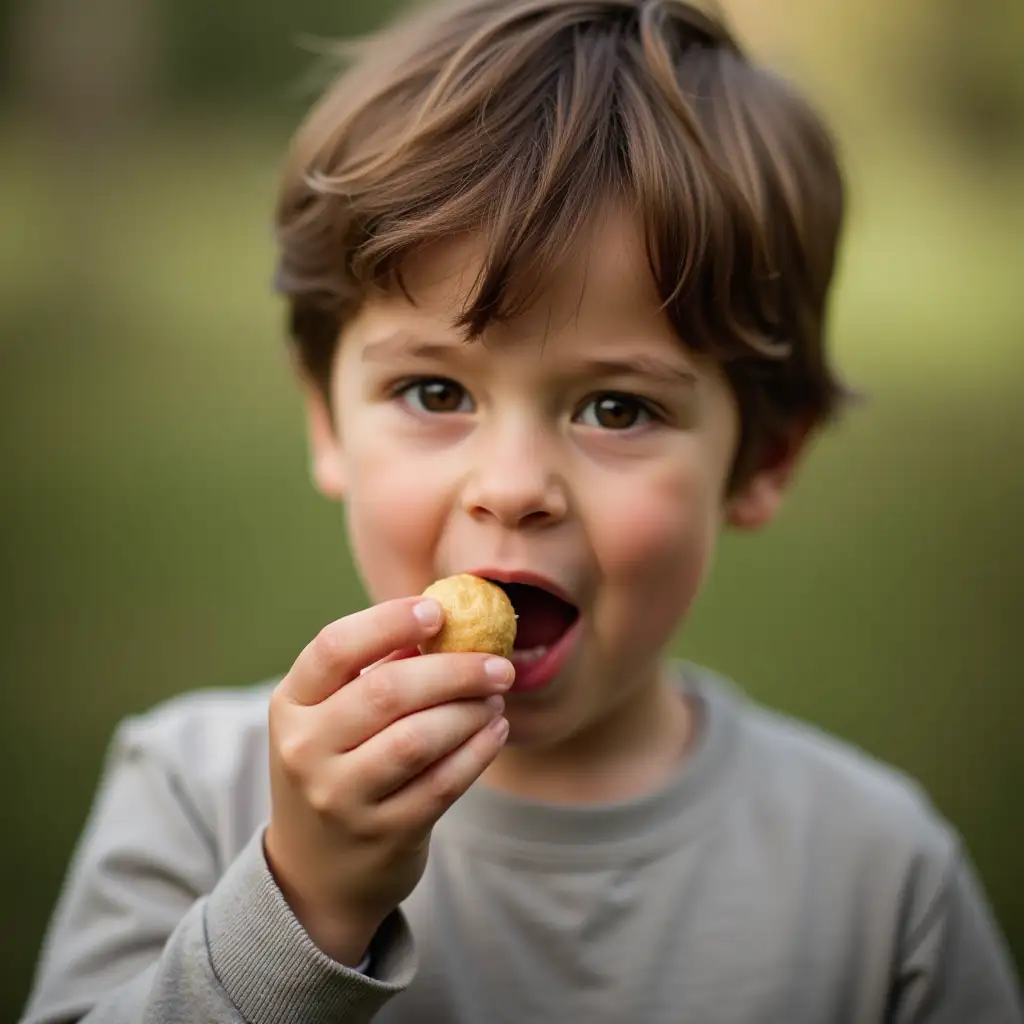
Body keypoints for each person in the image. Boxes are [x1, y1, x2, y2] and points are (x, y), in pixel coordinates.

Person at [20, 1, 1023, 1022]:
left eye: (616, 408)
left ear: (761, 458)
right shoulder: (194, 790)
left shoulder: (876, 879)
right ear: (326, 418)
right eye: (435, 393)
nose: (511, 485)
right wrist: (299, 906)